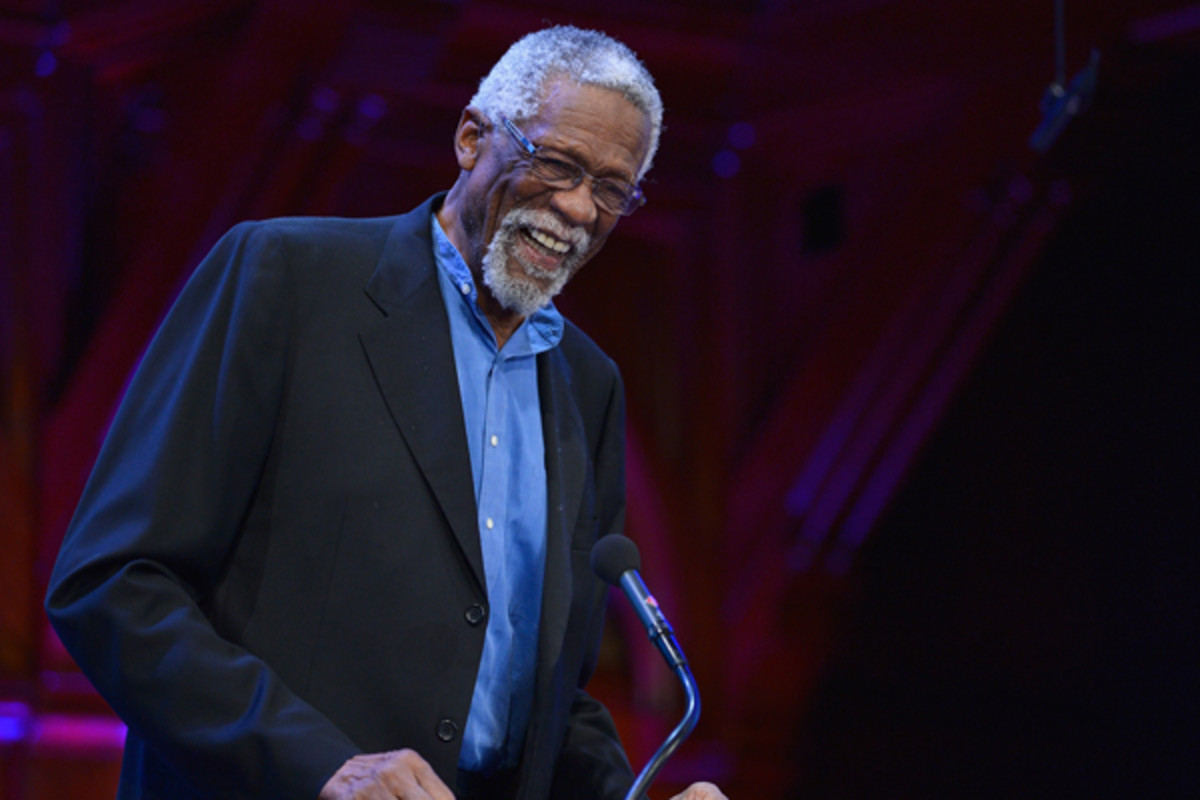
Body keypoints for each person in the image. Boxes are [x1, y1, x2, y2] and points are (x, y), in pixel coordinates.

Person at [45, 25, 726, 800]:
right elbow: (113, 582)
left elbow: (542, 699)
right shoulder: (286, 279)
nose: (577, 208)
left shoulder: (587, 382)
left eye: (612, 189)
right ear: (472, 137)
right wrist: (317, 765)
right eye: (555, 163)